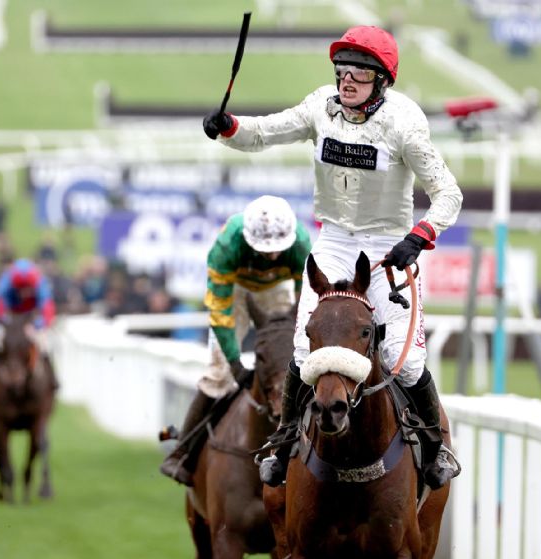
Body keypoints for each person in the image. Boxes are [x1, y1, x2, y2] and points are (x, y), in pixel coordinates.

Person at [202, 25, 463, 490]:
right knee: (305, 354)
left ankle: (435, 445)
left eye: (360, 74)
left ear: (383, 80)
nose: (347, 81)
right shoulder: (320, 107)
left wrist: (420, 235)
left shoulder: (405, 123)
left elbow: (448, 193)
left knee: (404, 363)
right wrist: (230, 129)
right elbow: (262, 133)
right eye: (343, 71)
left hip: (388, 246)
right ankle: (283, 442)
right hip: (334, 243)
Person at [159, 195, 312, 486]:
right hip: (236, 293)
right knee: (219, 375)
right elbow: (220, 312)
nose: (271, 256)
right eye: (264, 250)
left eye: (278, 250)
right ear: (249, 239)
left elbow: (308, 299)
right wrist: (234, 362)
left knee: (298, 362)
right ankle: (182, 453)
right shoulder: (226, 246)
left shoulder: (301, 244)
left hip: (279, 291)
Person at [0, 258, 58, 393]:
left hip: (31, 317)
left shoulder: (40, 284)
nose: (25, 293)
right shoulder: (7, 283)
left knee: (44, 344)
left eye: (28, 290)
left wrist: (37, 325)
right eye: (21, 290)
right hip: (12, 316)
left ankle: (53, 379)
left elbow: (48, 311)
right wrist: (6, 322)